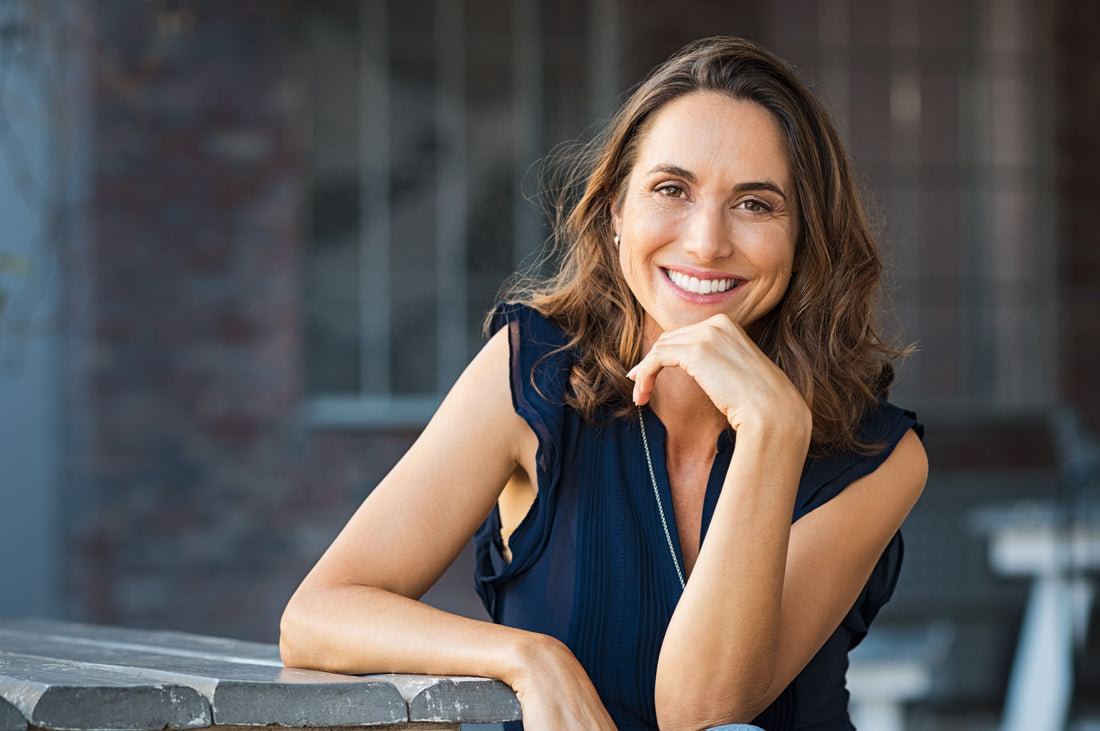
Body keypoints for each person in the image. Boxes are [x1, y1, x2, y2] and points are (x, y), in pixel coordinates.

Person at [280, 36, 928, 731]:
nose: (707, 241)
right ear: (617, 212)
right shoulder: (530, 372)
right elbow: (318, 614)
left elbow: (699, 710)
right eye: (671, 189)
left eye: (755, 204)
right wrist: (528, 657)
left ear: (805, 237)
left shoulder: (879, 456)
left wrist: (775, 431)